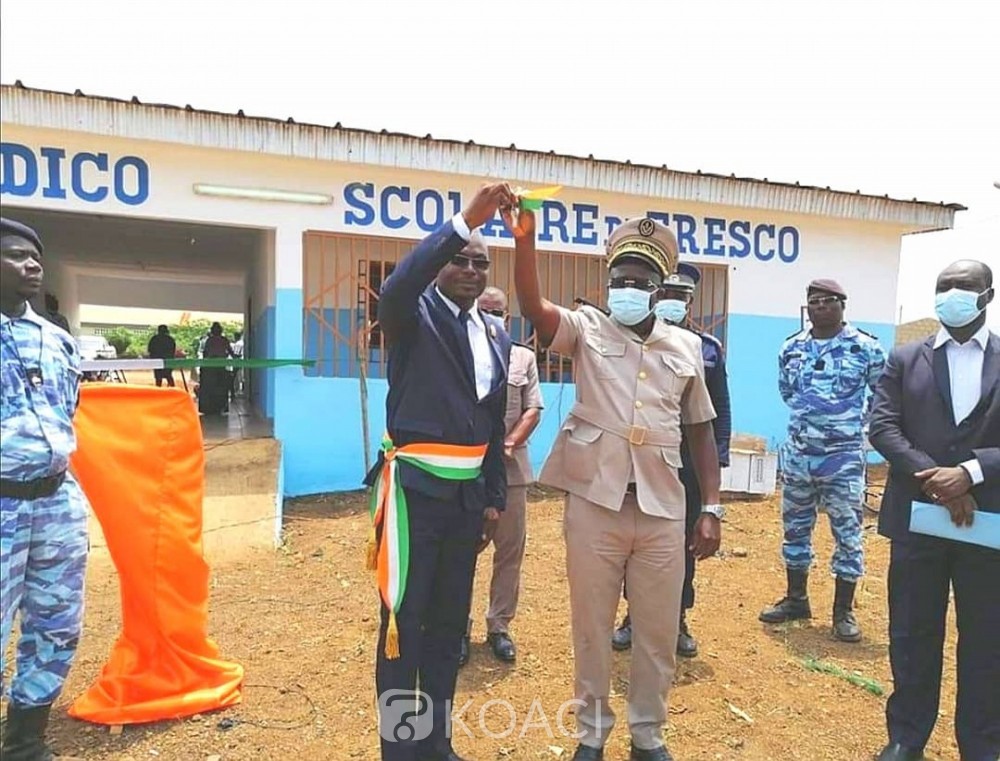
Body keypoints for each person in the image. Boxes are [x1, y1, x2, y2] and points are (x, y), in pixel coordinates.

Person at [507, 206, 722, 761]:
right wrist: (525, 243)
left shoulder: (687, 347)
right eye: (620, 280)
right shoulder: (586, 329)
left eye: (641, 282)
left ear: (658, 290)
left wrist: (713, 507)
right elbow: (533, 307)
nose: (629, 289)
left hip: (662, 510)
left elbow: (701, 431)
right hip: (596, 505)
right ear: (609, 285)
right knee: (592, 626)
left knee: (656, 630)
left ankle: (648, 734)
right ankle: (591, 734)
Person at [364, 183, 513, 761]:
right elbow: (400, 283)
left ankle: (437, 744)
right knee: (405, 625)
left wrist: (493, 497)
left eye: (481, 261)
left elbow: (492, 421)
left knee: (450, 630)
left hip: (466, 502)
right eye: (461, 258)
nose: (472, 270)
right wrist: (466, 220)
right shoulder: (411, 311)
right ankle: (401, 750)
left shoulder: (494, 331)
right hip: (414, 497)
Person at [869, 260, 998, 761]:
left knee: (987, 639)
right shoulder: (905, 359)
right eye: (943, 287)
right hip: (918, 520)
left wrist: (971, 473)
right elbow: (883, 427)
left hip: (988, 525)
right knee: (912, 632)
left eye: (963, 287)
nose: (951, 295)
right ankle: (906, 737)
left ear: (987, 295)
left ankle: (982, 743)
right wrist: (940, 481)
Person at [1, 217, 90, 761]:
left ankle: (24, 742)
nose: (32, 264)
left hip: (56, 501)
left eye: (36, 256)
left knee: (56, 623)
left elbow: (67, 412)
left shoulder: (56, 339)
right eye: (15, 255)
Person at [612, 262, 731, 659]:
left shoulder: (707, 350)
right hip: (644, 460)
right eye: (665, 294)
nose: (671, 302)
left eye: (679, 297)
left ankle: (677, 616)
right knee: (636, 540)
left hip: (689, 467)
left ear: (690, 302)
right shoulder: (630, 342)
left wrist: (719, 463)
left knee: (683, 544)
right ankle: (633, 616)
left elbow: (718, 414)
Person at [760, 279, 886, 642]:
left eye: (829, 301)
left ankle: (843, 612)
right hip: (799, 455)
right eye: (814, 301)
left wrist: (854, 428)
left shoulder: (866, 348)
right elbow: (788, 391)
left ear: (843, 305)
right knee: (795, 529)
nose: (821, 307)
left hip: (843, 458)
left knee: (847, 533)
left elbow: (882, 396)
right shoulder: (792, 347)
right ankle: (796, 599)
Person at [461, 286, 543, 666]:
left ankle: (499, 626)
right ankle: (457, 626)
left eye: (498, 312)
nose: (492, 318)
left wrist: (508, 444)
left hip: (511, 471)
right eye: (485, 310)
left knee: (509, 553)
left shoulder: (523, 357)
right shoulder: (462, 349)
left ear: (508, 318)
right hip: (468, 471)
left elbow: (533, 409)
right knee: (462, 552)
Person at [198, 322, 233, 415]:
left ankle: (209, 408)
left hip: (210, 367)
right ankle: (221, 407)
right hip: (221, 367)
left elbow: (205, 353)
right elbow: (230, 352)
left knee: (209, 388)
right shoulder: (224, 340)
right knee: (222, 388)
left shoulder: (209, 340)